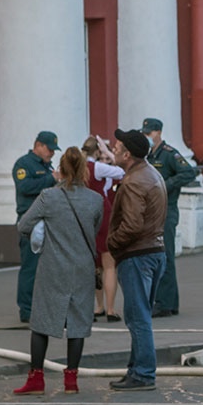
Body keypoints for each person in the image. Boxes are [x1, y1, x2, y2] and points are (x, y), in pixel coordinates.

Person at [14, 147, 104, 395]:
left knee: (41, 322)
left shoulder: (48, 197)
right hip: (83, 267)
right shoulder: (95, 200)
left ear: (60, 170)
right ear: (84, 170)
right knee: (77, 323)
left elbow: (24, 225)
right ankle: (71, 380)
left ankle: (36, 378)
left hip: (52, 267)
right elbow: (94, 231)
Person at [105, 127, 167, 390]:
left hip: (138, 255)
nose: (113, 150)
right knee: (140, 316)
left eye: (117, 148)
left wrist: (111, 243)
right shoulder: (150, 173)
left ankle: (142, 374)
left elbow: (131, 226)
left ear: (127, 154)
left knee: (137, 317)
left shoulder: (132, 182)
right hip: (153, 252)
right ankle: (136, 370)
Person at [142, 117, 198, 317]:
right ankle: (168, 302)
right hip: (155, 211)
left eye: (149, 133)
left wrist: (166, 185)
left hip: (167, 209)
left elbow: (188, 173)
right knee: (160, 256)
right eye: (145, 133)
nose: (147, 136)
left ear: (158, 133)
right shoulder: (148, 156)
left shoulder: (168, 154)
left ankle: (165, 303)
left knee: (164, 256)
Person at [13, 131, 58, 323]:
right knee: (31, 267)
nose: (51, 154)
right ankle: (27, 309)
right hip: (30, 221)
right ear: (38, 145)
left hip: (47, 220)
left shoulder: (47, 166)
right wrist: (51, 179)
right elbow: (25, 187)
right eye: (48, 149)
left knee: (47, 268)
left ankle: (43, 306)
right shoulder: (23, 164)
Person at [82, 135, 125, 322]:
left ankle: (97, 307)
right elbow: (121, 172)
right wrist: (109, 154)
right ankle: (110, 308)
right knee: (109, 265)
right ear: (97, 152)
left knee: (93, 265)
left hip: (84, 214)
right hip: (102, 213)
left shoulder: (79, 168)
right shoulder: (97, 167)